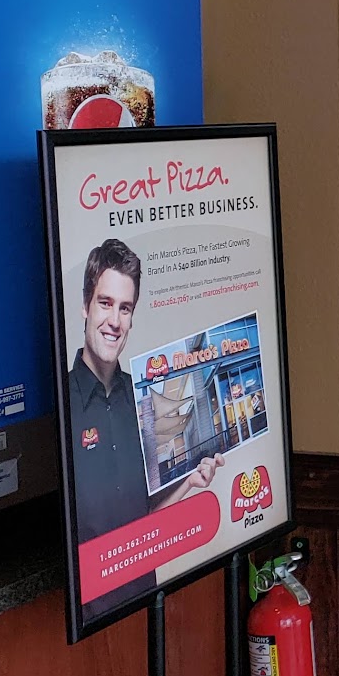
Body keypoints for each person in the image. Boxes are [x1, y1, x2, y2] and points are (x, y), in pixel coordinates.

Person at [67, 239, 222, 609]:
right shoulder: (63, 404)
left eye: (125, 308)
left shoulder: (142, 403)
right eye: (105, 303)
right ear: (85, 306)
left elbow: (145, 521)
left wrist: (188, 481)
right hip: (85, 615)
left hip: (143, 602)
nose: (115, 321)